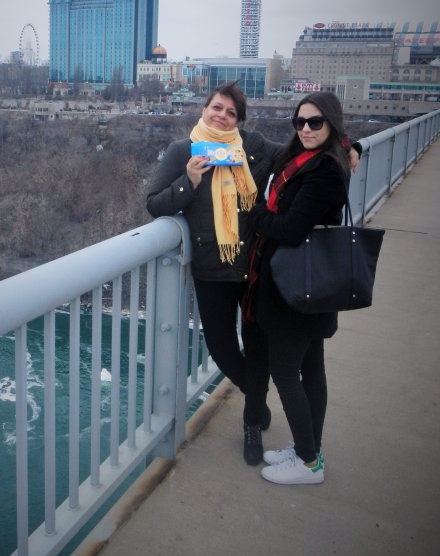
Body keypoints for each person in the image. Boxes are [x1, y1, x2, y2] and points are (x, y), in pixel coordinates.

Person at [146, 82, 283, 465]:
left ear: (239, 120)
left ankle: (251, 423)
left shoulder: (252, 147)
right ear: (204, 108)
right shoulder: (183, 151)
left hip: (255, 265)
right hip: (213, 268)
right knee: (223, 350)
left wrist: (348, 148)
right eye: (216, 108)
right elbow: (154, 204)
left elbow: (295, 155)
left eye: (231, 113)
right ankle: (257, 395)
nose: (221, 116)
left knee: (258, 346)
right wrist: (187, 181)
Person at [244, 91, 352, 485]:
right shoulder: (301, 155)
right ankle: (310, 448)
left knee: (285, 372)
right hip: (308, 285)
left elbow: (290, 230)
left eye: (315, 122)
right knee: (311, 368)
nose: (306, 129)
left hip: (299, 288)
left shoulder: (326, 171)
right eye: (300, 122)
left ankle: (308, 462)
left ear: (332, 124)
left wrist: (253, 213)